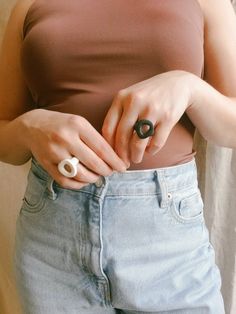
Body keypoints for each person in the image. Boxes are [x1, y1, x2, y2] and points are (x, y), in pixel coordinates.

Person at [0, 0, 235, 313]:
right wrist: (30, 127)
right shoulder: (26, 4)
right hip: (53, 240)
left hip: (169, 242)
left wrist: (190, 89)